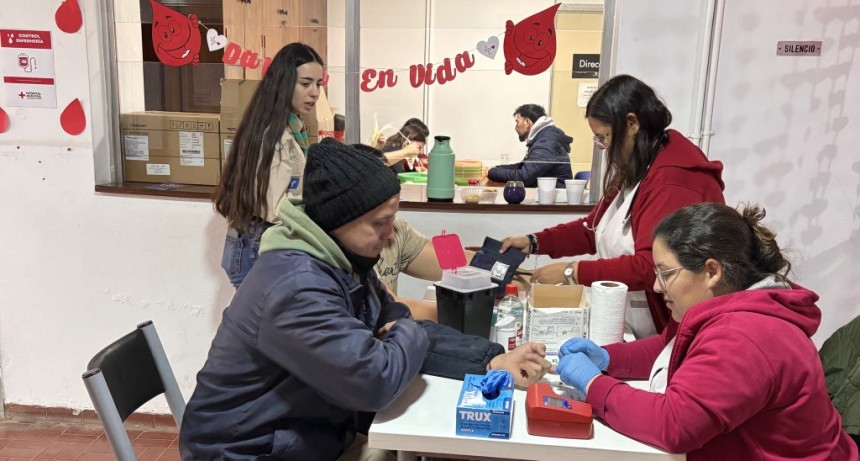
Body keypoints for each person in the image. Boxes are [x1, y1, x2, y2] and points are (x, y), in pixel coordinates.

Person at [180, 139, 553, 461]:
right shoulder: (295, 287)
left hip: (308, 432)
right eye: (380, 222)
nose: (391, 235)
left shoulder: (343, 262)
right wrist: (404, 329)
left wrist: (492, 360)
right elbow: (374, 380)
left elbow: (395, 323)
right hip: (249, 450)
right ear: (338, 220)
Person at [553, 202, 858, 460]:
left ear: (712, 272)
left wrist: (593, 384)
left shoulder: (747, 336)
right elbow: (667, 347)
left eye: (667, 273)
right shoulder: (720, 303)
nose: (657, 286)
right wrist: (607, 357)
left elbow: (674, 425)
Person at [500, 75, 725, 338]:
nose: (605, 148)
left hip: (664, 325)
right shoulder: (639, 167)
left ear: (632, 123)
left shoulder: (674, 181)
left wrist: (572, 272)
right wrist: (533, 242)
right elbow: (591, 230)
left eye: (604, 138)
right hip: (630, 317)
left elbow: (649, 265)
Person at [213, 43, 324, 289]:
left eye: (319, 84)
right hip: (256, 247)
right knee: (262, 325)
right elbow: (274, 209)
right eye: (305, 84)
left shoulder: (291, 127)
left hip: (259, 243)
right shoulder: (274, 135)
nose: (315, 92)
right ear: (284, 83)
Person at [486, 104, 573, 188]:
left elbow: (524, 177)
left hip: (554, 199)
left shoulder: (546, 142)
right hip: (548, 194)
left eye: (517, 122)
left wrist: (492, 172)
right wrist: (497, 168)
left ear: (527, 122)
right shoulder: (543, 137)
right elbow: (522, 166)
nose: (515, 127)